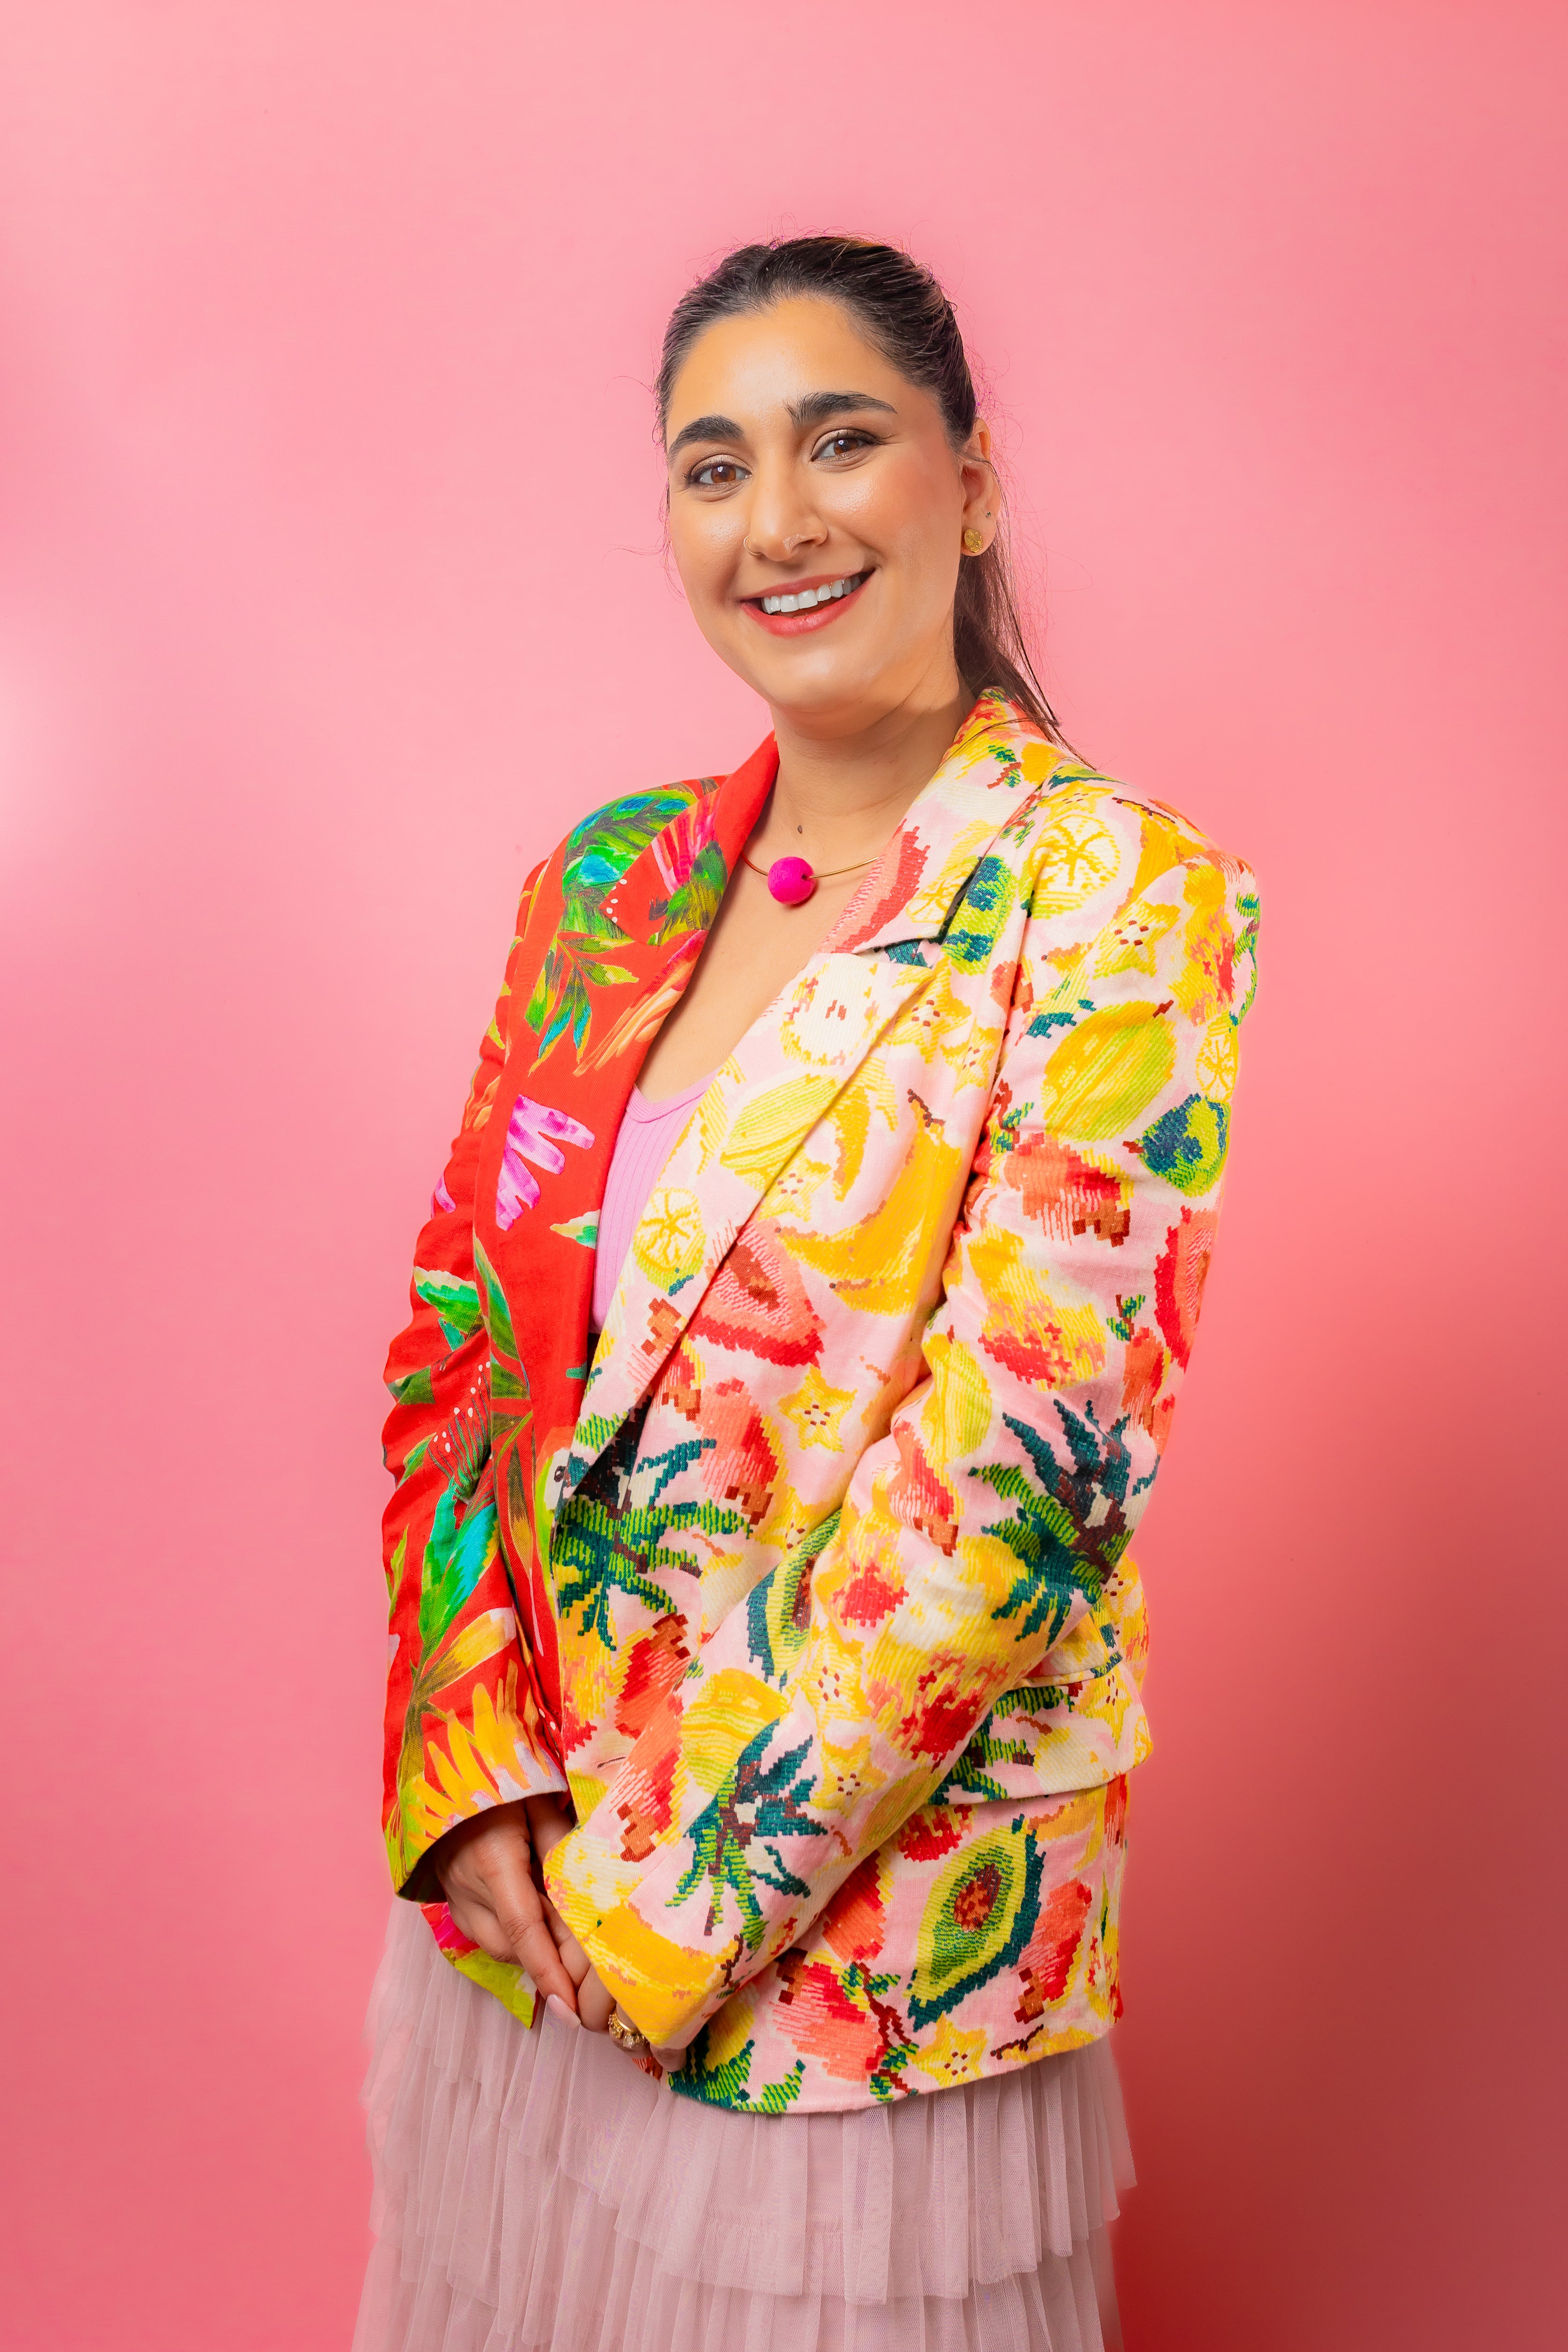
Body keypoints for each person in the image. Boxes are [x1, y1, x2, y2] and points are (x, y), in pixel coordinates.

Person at [354, 234, 1260, 2352]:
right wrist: (469, 1771)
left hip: (850, 1954)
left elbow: (1018, 1483)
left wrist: (660, 1906)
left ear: (973, 478)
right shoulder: (605, 884)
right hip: (520, 1899)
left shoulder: (1115, 897)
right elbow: (463, 1334)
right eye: (714, 465)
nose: (777, 519)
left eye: (840, 439)